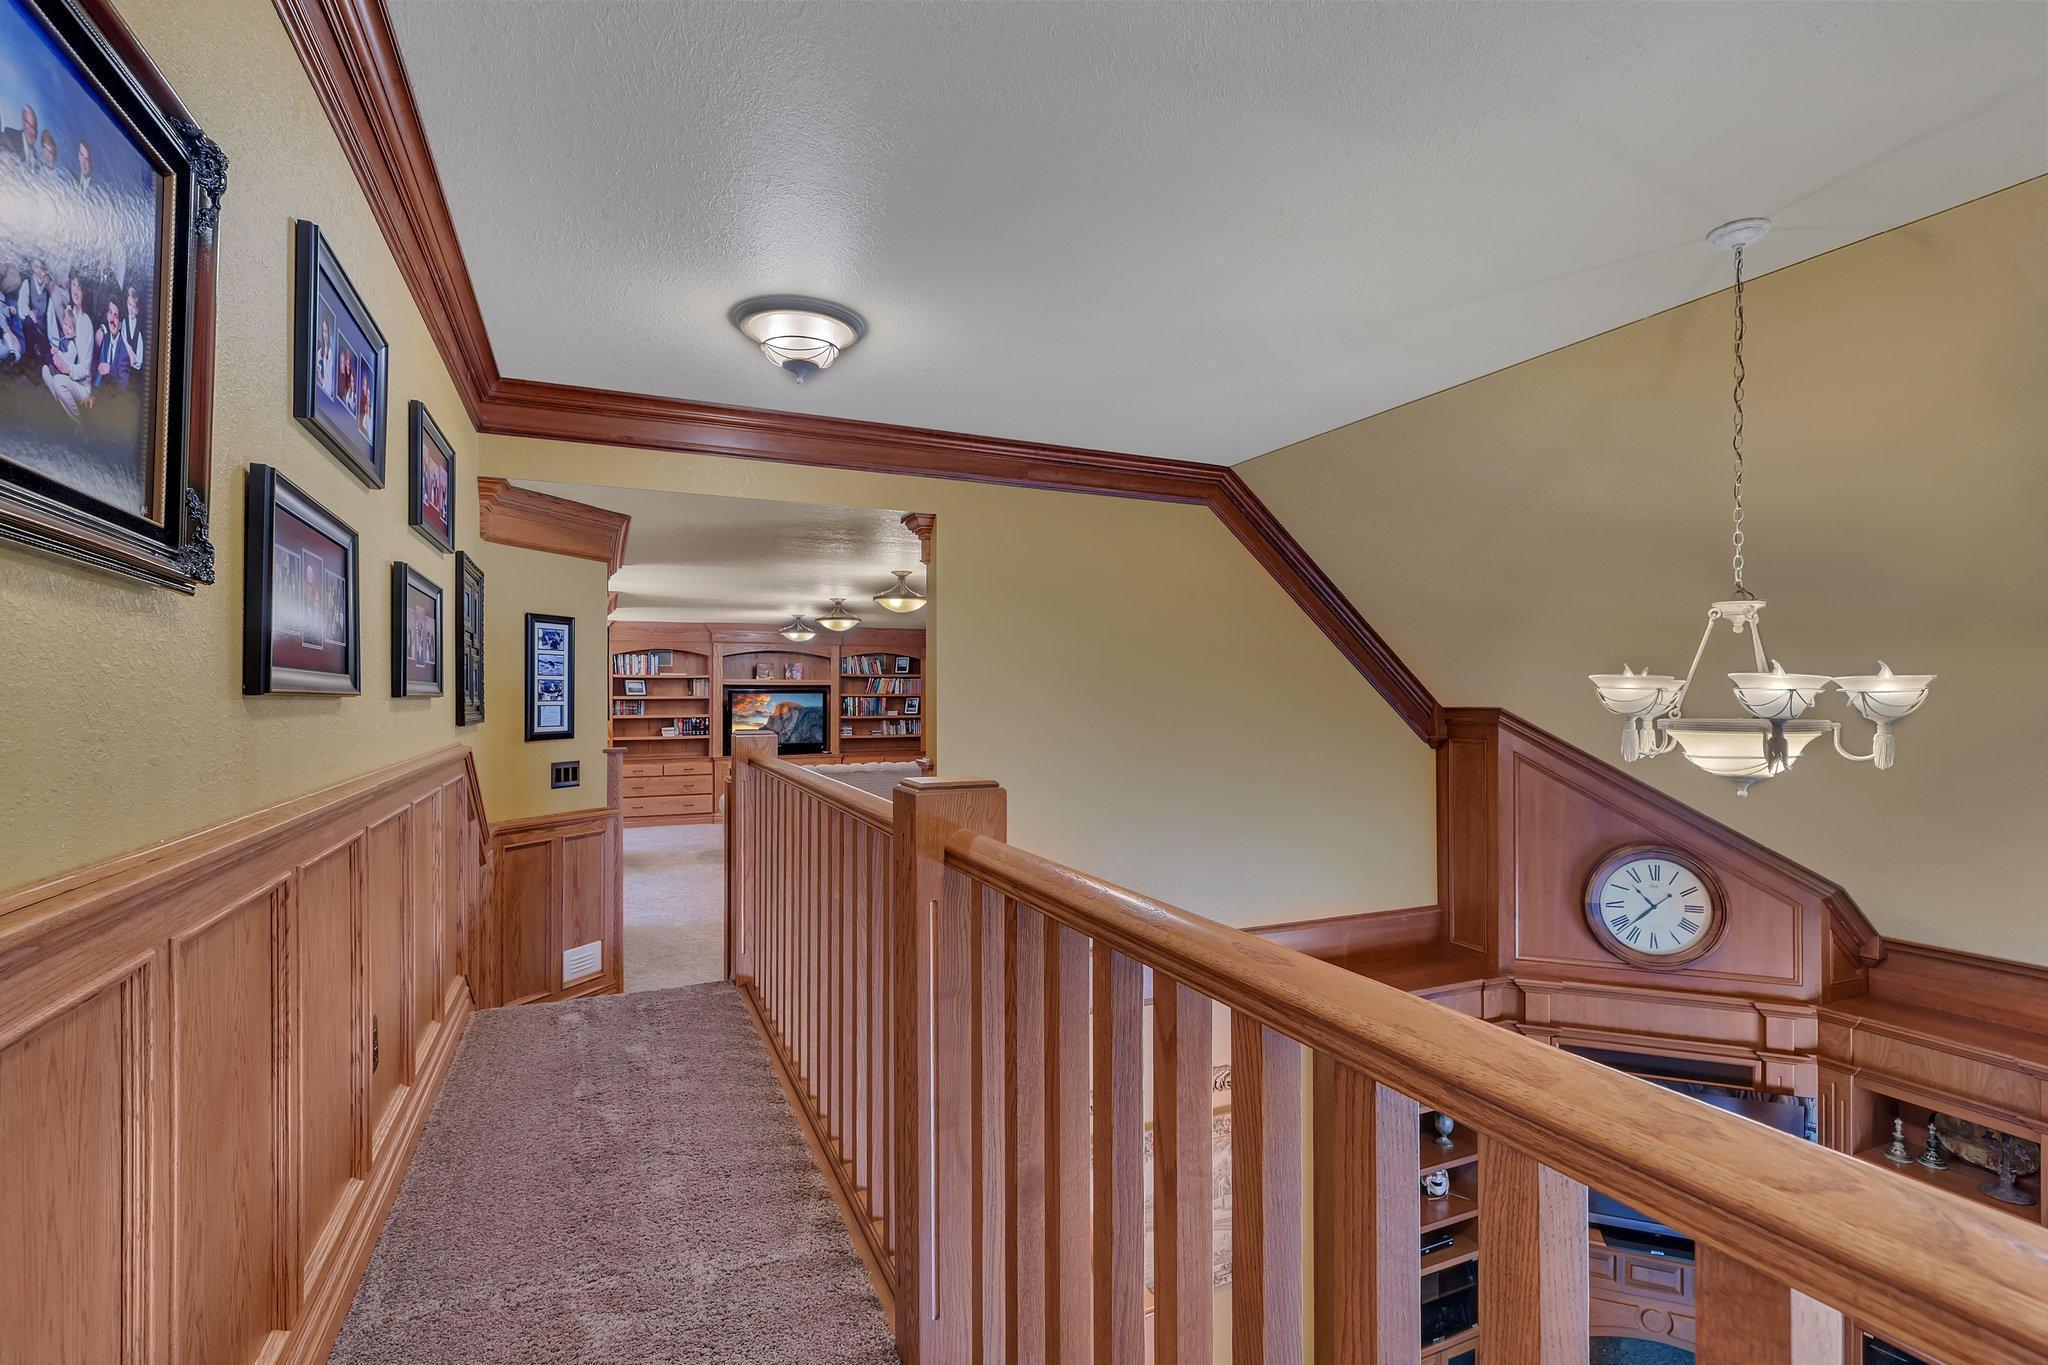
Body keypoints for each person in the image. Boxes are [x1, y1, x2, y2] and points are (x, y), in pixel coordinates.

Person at [42, 300, 92, 420]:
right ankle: (62, 406)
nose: (67, 329)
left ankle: (77, 419)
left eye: (71, 327)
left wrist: (57, 354)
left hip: (77, 382)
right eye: (65, 324)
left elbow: (67, 360)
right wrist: (56, 351)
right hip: (66, 374)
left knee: (58, 381)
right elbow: (60, 353)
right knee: (45, 370)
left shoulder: (73, 344)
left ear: (76, 330)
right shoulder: (64, 339)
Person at [119, 285, 144, 383]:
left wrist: (133, 359)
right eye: (129, 304)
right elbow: (123, 341)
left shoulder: (140, 328)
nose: (131, 309)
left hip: (135, 371)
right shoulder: (124, 322)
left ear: (137, 310)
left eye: (134, 306)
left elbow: (139, 360)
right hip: (124, 366)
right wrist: (129, 350)